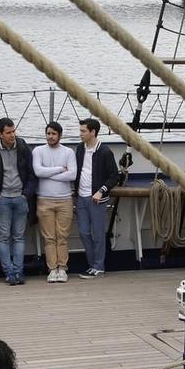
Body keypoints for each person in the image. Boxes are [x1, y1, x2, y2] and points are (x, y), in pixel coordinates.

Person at [0, 116, 36, 285]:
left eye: (14, 131)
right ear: (0, 134)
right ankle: (9, 272)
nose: (12, 135)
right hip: (2, 197)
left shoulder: (22, 146)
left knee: (18, 237)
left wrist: (26, 194)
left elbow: (31, 173)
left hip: (20, 197)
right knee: (3, 236)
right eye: (8, 132)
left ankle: (19, 271)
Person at [73, 117, 120, 277]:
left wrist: (101, 190)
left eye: (83, 131)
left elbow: (114, 176)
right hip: (81, 197)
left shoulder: (105, 152)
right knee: (84, 232)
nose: (80, 134)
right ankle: (92, 264)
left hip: (97, 199)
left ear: (93, 132)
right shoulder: (80, 149)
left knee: (98, 234)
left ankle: (98, 266)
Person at [31, 120, 77, 283]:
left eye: (53, 134)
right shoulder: (38, 151)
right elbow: (38, 171)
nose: (50, 137)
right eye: (48, 133)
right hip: (44, 199)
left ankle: (62, 268)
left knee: (62, 236)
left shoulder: (68, 152)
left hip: (64, 199)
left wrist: (48, 173)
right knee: (49, 237)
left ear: (60, 135)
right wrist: (59, 169)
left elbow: (72, 175)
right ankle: (52, 269)